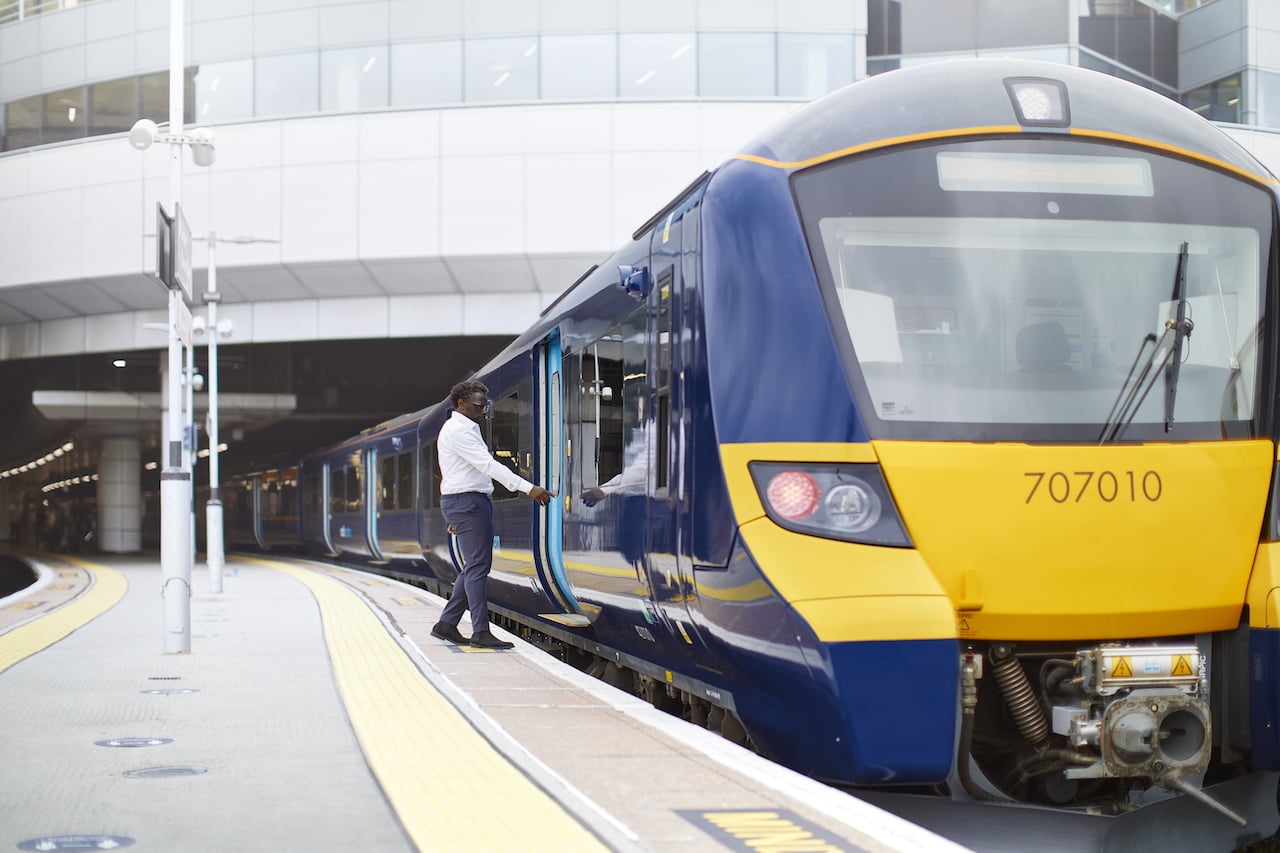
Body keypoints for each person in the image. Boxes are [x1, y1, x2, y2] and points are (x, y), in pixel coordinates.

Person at [431, 380, 554, 650]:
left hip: (465, 502)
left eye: (486, 406)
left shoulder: (462, 428)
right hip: (468, 502)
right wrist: (528, 488)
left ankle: (447, 624)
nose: (484, 411)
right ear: (461, 404)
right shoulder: (458, 431)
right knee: (477, 567)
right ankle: (479, 631)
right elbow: (487, 465)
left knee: (473, 566)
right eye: (479, 405)